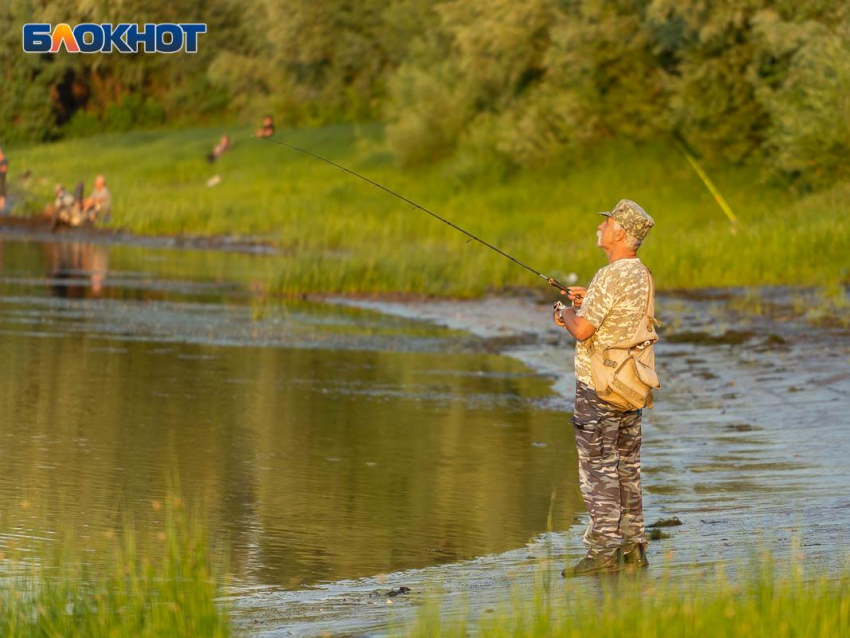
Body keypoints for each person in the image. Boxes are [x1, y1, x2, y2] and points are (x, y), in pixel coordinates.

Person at [553, 199, 656, 576]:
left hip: (598, 387)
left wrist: (563, 312)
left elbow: (582, 330)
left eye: (607, 222)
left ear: (621, 233)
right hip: (631, 386)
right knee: (627, 467)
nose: (600, 227)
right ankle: (633, 547)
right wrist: (587, 298)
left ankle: (603, 553)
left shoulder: (608, 275)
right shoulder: (641, 274)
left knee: (598, 470)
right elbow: (613, 313)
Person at [0, 142, 8, 214]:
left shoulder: (3, 158)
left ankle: (2, 209)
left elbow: (4, 169)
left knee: (2, 190)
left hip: (2, 175)